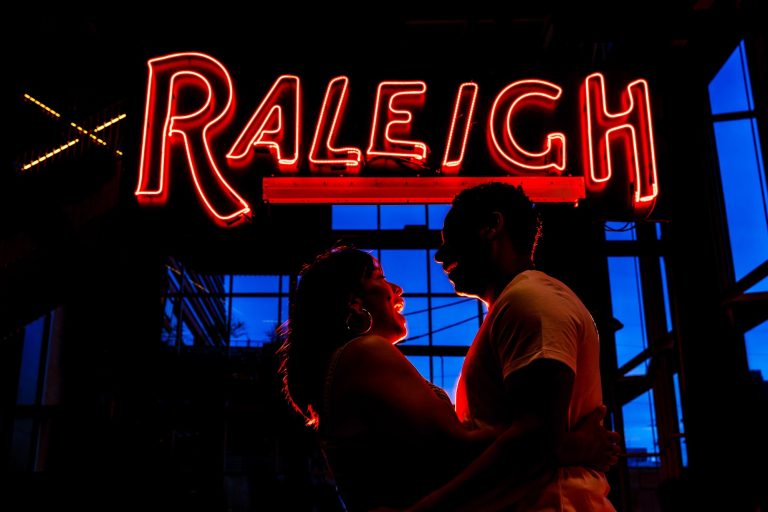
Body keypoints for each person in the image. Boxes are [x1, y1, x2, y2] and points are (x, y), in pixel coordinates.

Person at [278, 244, 619, 511]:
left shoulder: (345, 367)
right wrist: (567, 442)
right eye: (380, 278)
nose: (397, 289)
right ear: (354, 302)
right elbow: (454, 449)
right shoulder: (363, 352)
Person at [431, 182, 616, 510]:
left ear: (492, 227)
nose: (440, 255)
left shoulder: (529, 301)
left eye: (451, 238)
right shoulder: (517, 304)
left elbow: (535, 440)